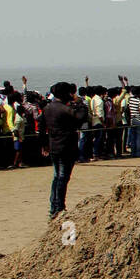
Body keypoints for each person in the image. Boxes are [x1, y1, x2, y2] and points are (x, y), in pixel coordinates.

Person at [44, 82, 88, 218]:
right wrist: (80, 102)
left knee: (57, 176)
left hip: (54, 145)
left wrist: (44, 144)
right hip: (66, 146)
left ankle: (53, 206)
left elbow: (41, 126)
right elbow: (81, 117)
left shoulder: (48, 108)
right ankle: (59, 207)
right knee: (63, 177)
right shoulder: (64, 109)